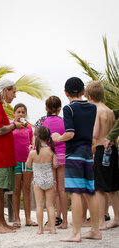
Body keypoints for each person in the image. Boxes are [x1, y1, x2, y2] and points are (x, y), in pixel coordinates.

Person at [52, 77, 102, 242]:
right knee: (90, 191)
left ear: (66, 93)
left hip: (74, 153)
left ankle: (76, 233)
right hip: (88, 153)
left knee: (75, 192)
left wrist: (58, 138)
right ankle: (95, 230)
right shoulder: (92, 108)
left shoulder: (69, 109)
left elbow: (71, 133)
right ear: (83, 92)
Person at [0, 78, 25, 233]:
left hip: (4, 155)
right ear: (6, 90)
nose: (14, 96)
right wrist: (14, 125)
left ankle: (2, 223)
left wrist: (13, 125)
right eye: (13, 92)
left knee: (1, 189)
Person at [85, 81, 119, 230]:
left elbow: (95, 133)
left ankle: (100, 221)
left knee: (98, 187)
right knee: (112, 187)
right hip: (113, 150)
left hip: (100, 150)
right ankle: (117, 218)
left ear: (90, 96)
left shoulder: (96, 110)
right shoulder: (110, 111)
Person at [35, 96, 68, 229]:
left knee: (52, 190)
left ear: (46, 108)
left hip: (50, 156)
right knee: (62, 190)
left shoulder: (43, 122)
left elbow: (39, 141)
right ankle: (65, 222)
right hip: (63, 156)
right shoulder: (64, 121)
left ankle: (52, 221)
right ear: (59, 108)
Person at [26, 126, 58, 234]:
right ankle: (53, 228)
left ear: (37, 137)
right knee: (50, 205)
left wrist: (30, 152)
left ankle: (40, 229)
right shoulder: (51, 151)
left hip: (37, 181)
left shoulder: (33, 153)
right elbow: (56, 165)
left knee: (39, 205)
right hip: (49, 179)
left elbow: (28, 165)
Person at [12, 103, 37, 227]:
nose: (21, 114)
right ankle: (17, 219)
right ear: (14, 113)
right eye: (19, 112)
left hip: (28, 161)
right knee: (16, 190)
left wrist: (33, 147)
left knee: (27, 189)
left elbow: (32, 142)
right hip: (15, 161)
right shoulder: (11, 127)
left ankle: (28, 219)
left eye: (23, 112)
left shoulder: (29, 128)